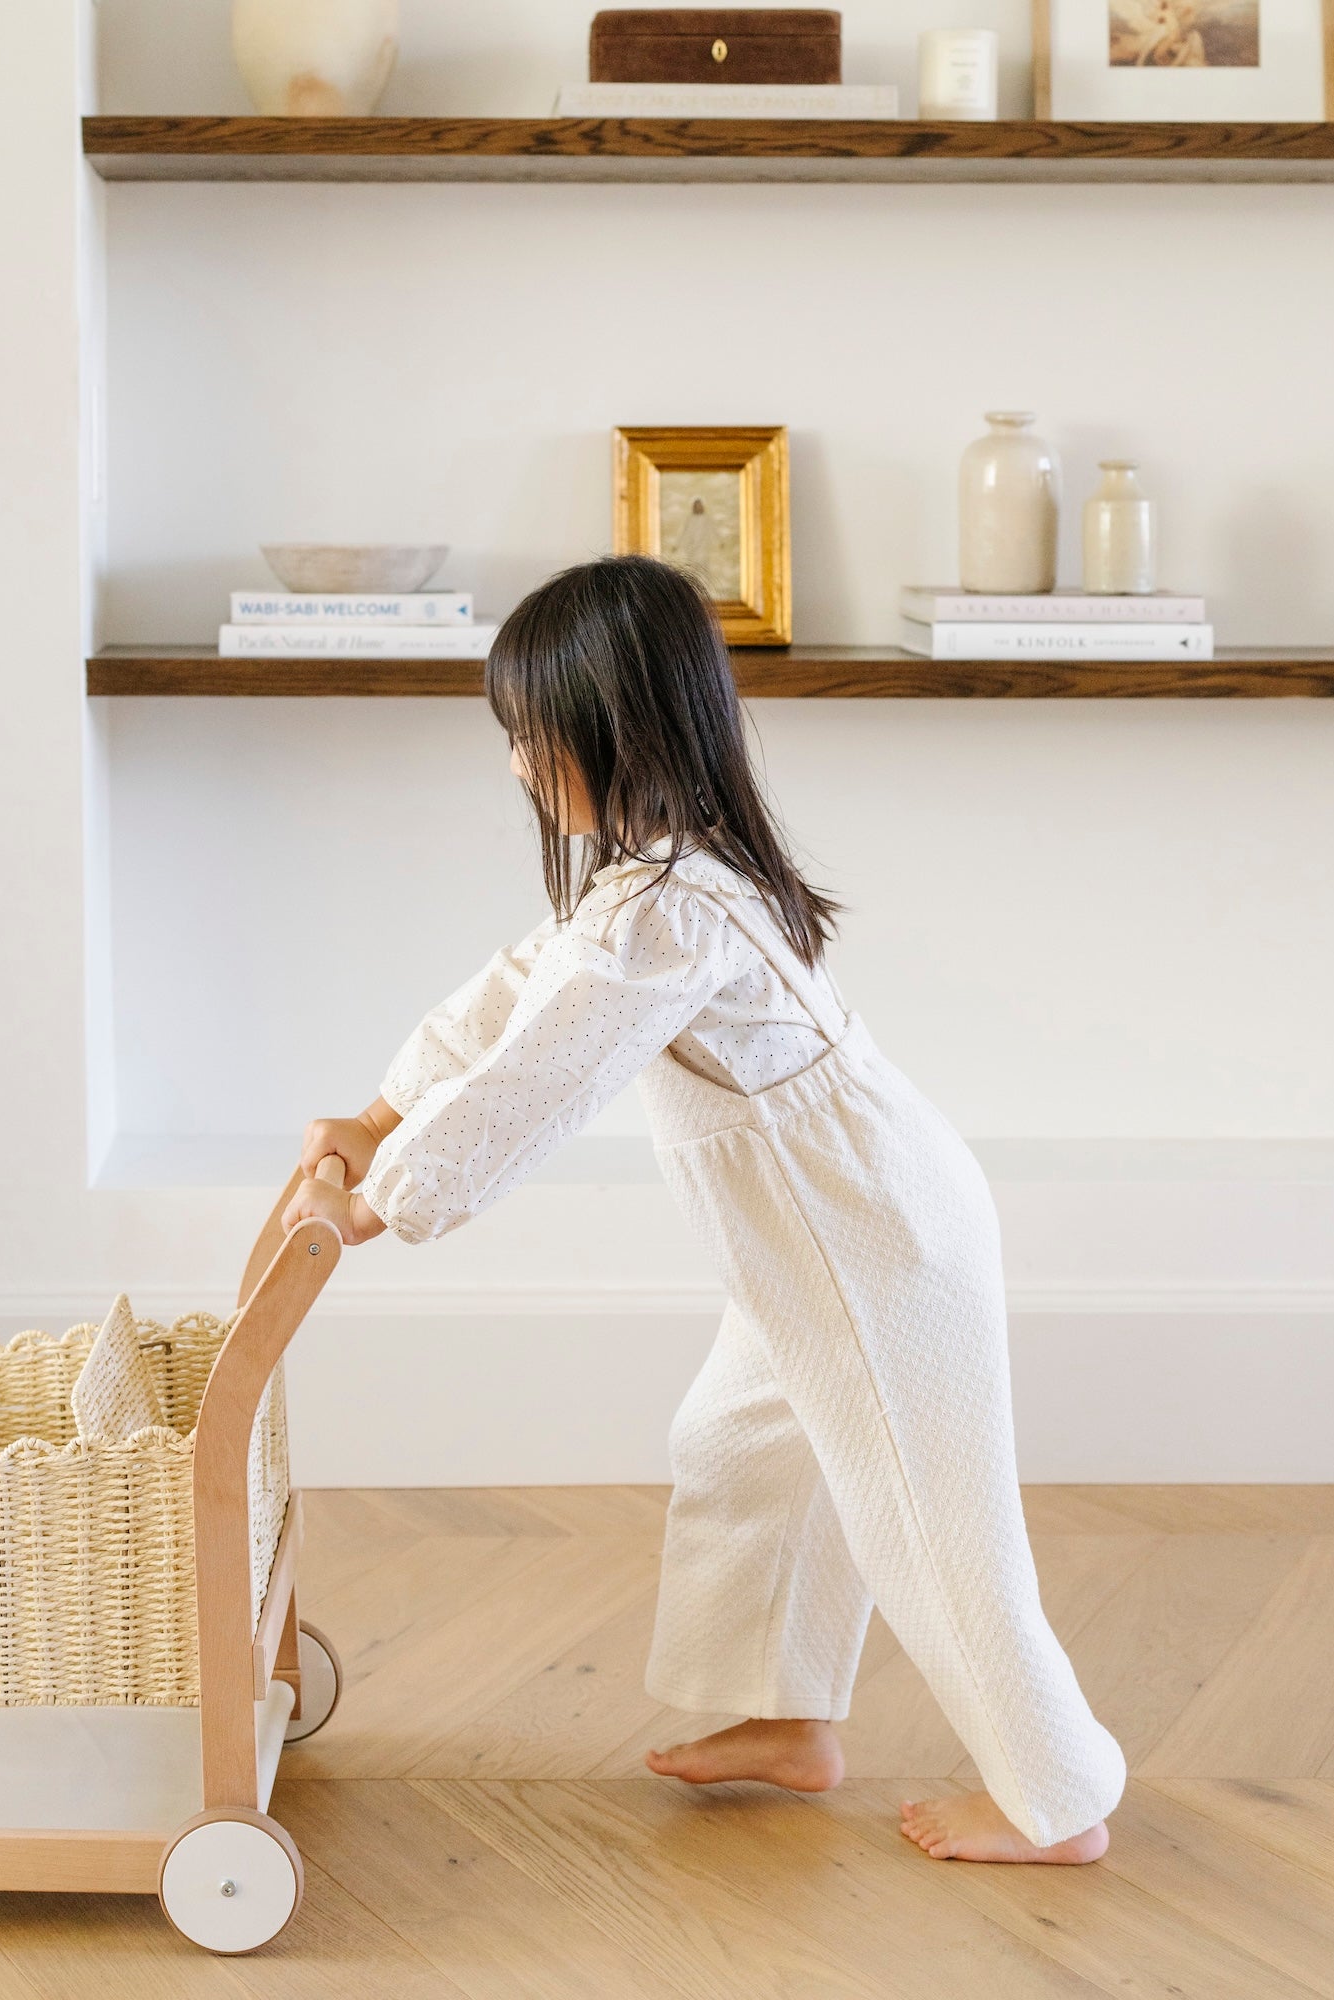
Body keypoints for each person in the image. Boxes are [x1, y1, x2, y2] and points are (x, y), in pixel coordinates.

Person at [281, 554, 1125, 1863]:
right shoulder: (640, 887)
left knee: (923, 1515)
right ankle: (786, 1721)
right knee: (738, 1447)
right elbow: (512, 1001)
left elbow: (537, 1084)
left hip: (876, 1242)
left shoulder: (670, 917)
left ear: (618, 733)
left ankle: (1054, 1794)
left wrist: (391, 1196)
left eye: (532, 739)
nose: (518, 768)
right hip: (817, 1246)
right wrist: (382, 1114)